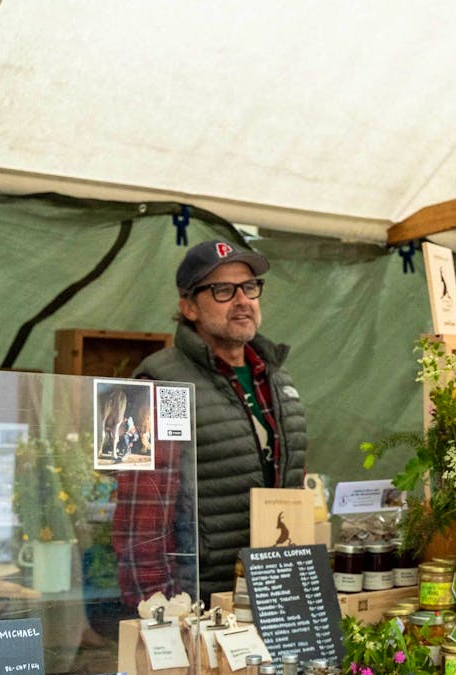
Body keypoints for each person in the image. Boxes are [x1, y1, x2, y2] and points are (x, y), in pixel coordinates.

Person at [112, 239, 308, 606]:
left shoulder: (279, 380)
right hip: (197, 602)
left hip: (274, 594)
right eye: (222, 290)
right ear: (188, 307)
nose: (242, 300)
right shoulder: (157, 383)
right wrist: (158, 608)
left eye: (250, 287)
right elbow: (139, 519)